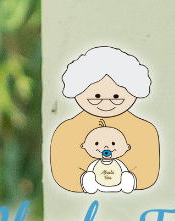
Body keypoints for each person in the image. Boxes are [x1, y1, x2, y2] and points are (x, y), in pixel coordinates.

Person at [49, 45, 160, 193]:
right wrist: (86, 182)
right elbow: (63, 174)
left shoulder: (145, 131)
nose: (106, 103)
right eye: (96, 97)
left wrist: (128, 181)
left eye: (116, 97)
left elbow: (148, 174)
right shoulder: (66, 131)